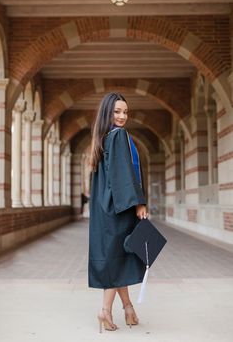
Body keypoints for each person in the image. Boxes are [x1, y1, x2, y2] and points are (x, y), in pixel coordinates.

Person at [88, 92, 148, 333]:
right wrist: (138, 203)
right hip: (119, 208)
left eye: (125, 112)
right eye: (117, 112)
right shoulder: (119, 135)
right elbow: (123, 174)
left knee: (118, 258)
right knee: (117, 259)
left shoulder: (103, 137)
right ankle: (104, 311)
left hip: (106, 208)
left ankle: (129, 308)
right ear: (107, 113)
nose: (123, 116)